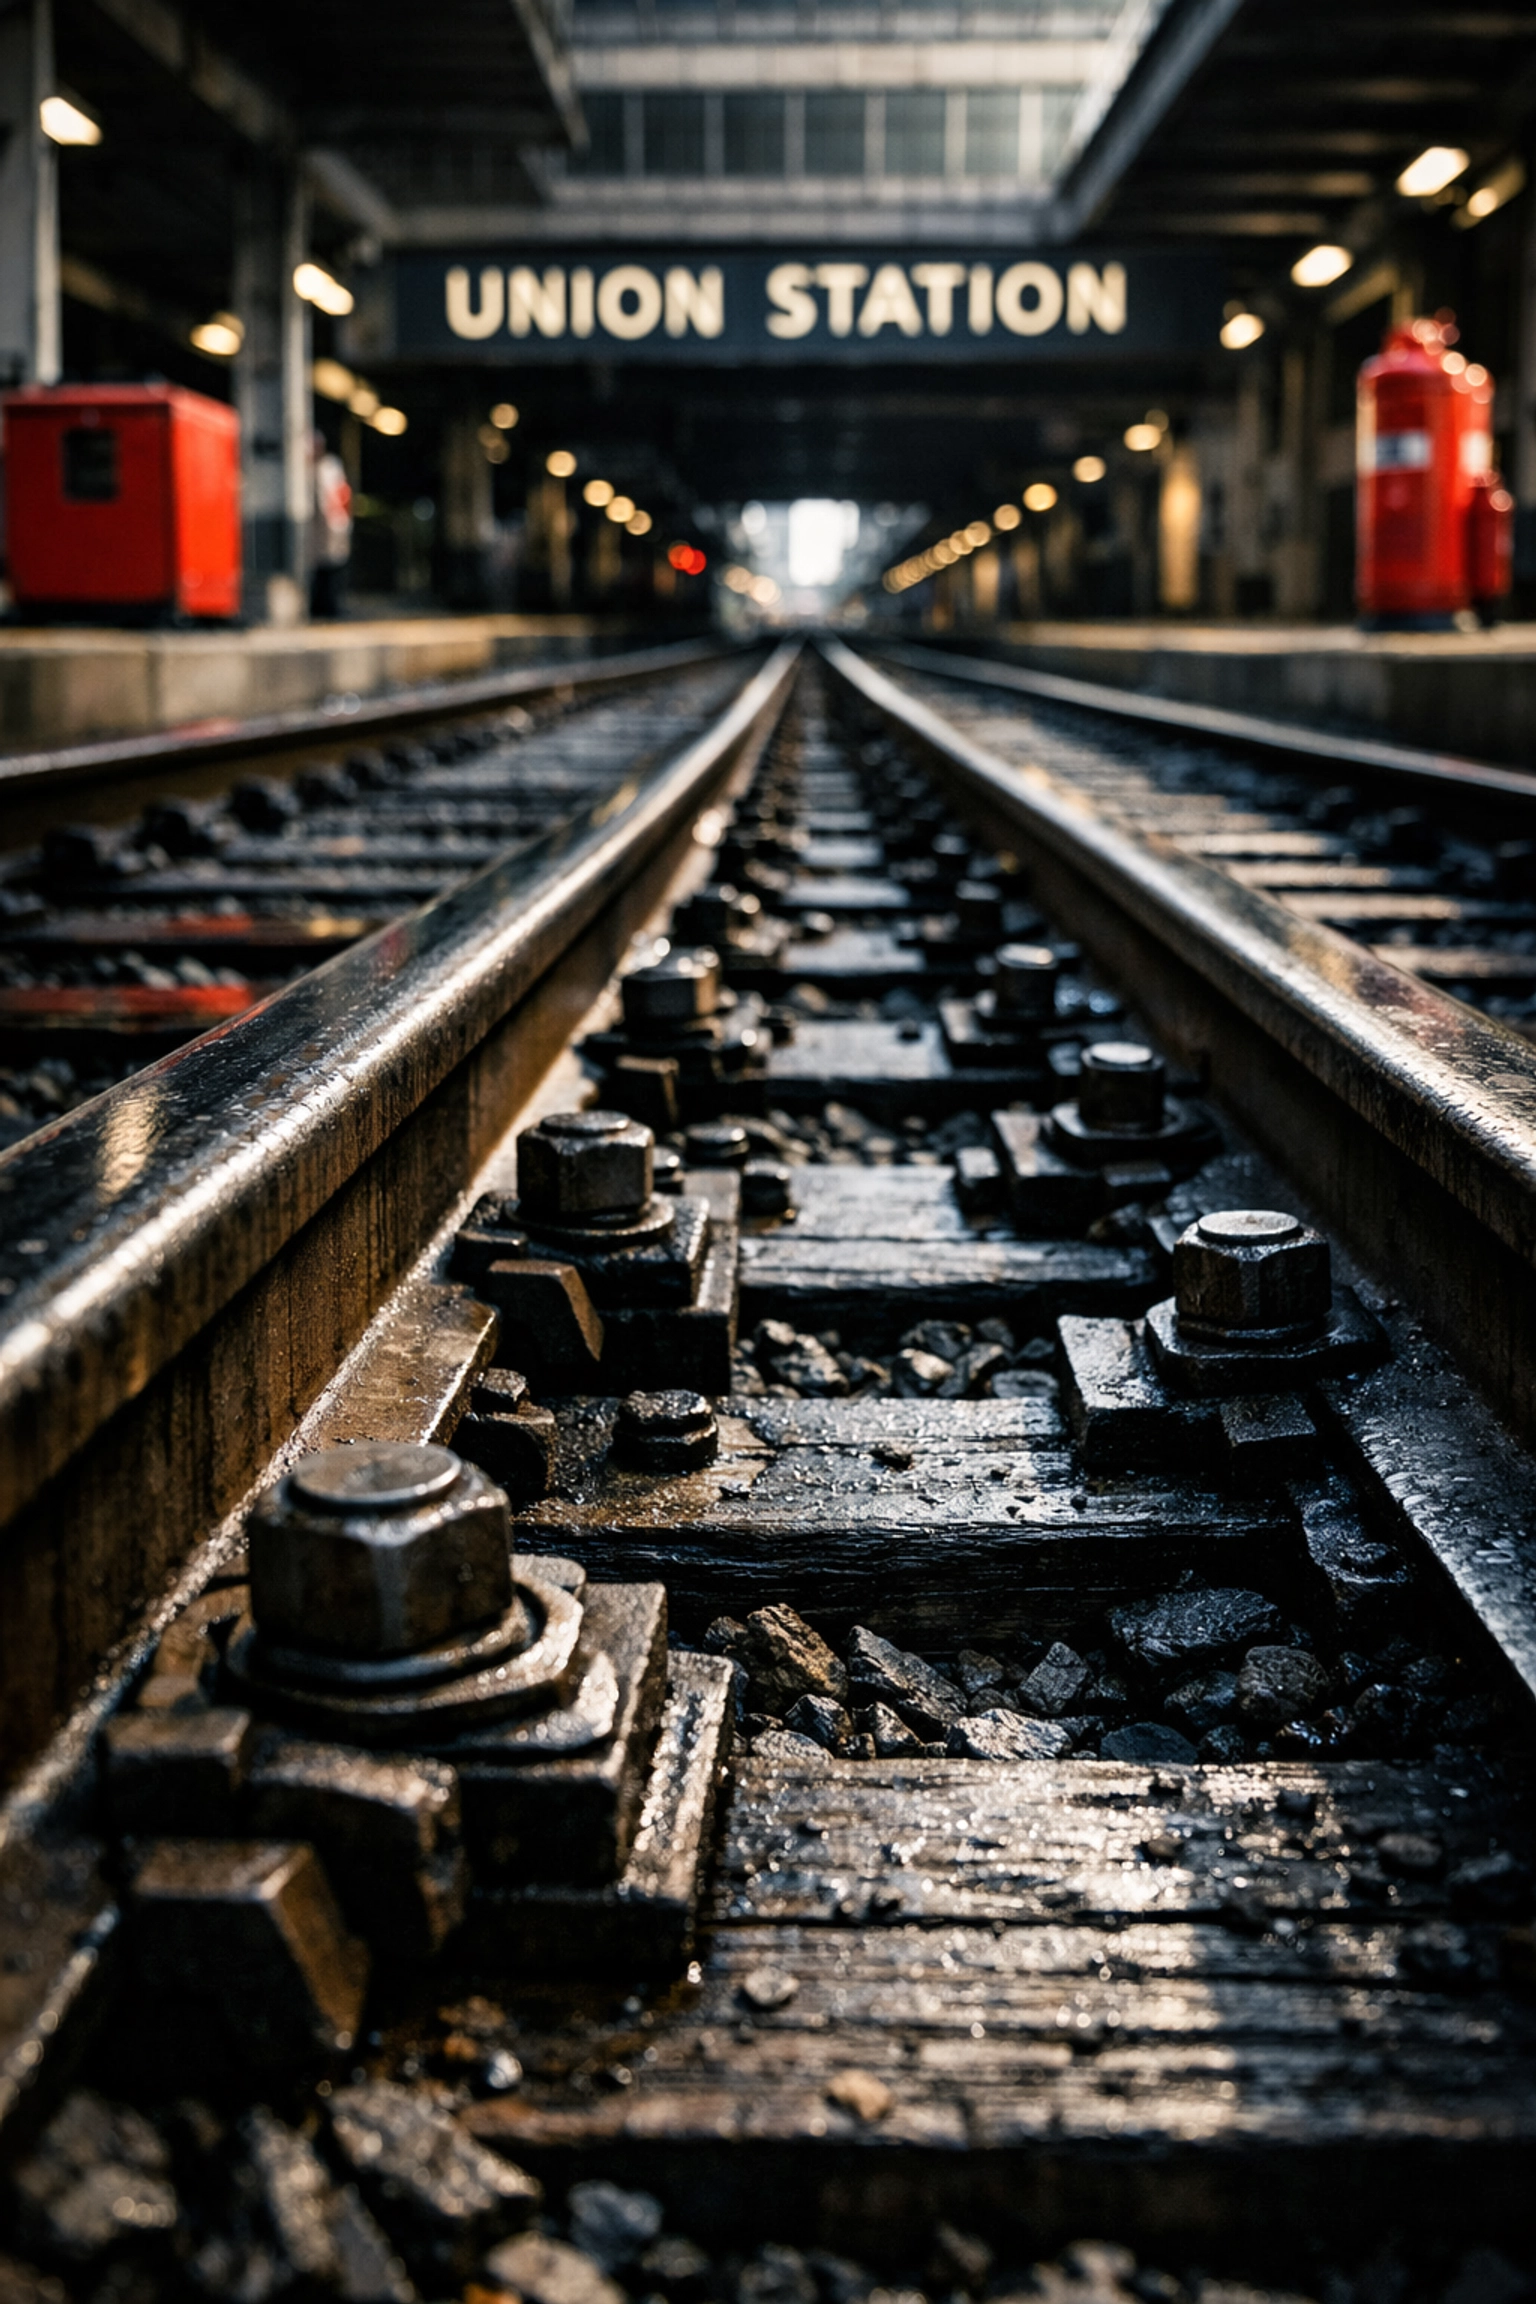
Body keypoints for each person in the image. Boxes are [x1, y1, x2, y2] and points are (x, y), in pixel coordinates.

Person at [310, 434, 353, 617]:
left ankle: (332, 606)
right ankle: (319, 606)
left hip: (335, 524)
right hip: (314, 529)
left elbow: (343, 494)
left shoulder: (330, 466)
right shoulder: (307, 468)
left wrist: (342, 519)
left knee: (334, 568)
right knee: (319, 570)